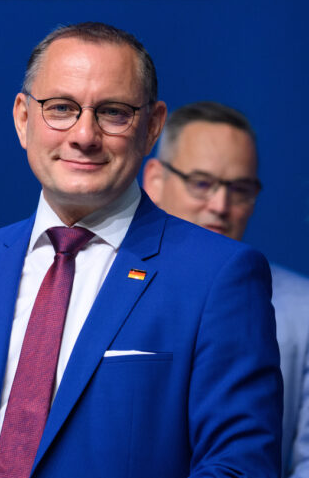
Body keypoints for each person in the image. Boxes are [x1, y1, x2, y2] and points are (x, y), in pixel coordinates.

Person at [0, 22, 281, 478]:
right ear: (23, 119)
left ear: (152, 127)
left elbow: (237, 467)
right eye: (61, 108)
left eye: (114, 112)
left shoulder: (218, 276)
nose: (85, 135)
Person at [143, 101, 309, 478]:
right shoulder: (94, 287)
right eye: (201, 183)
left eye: (240, 189)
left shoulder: (304, 312)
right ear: (154, 179)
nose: (220, 205)